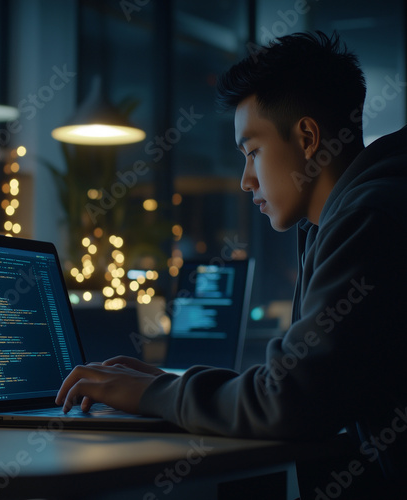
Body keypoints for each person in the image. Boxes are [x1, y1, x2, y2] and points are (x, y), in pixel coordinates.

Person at [56, 32, 407, 496]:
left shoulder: (368, 218)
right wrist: (167, 386)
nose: (245, 180)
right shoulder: (345, 217)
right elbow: (303, 385)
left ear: (306, 138)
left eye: (253, 152)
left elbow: (290, 403)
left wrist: (152, 395)